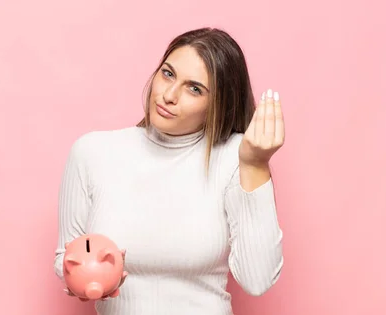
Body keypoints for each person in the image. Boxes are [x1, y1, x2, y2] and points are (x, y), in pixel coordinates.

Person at [54, 27, 285, 315]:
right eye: (168, 74)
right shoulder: (92, 153)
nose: (169, 95)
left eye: (194, 88)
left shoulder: (236, 157)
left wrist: (255, 165)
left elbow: (257, 280)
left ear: (219, 104)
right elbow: (67, 255)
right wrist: (85, 279)